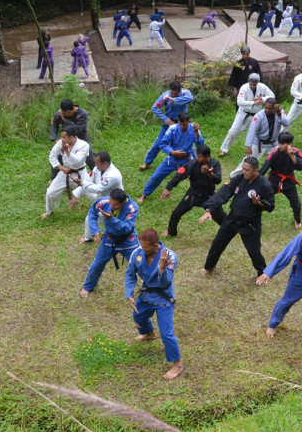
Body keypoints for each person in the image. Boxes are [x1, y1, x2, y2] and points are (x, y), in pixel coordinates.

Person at [199, 157, 275, 276]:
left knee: (254, 252)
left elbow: (271, 206)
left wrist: (259, 203)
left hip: (250, 223)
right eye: (243, 169)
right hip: (232, 218)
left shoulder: (265, 185)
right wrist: (210, 209)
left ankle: (263, 273)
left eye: (247, 170)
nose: (244, 172)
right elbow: (224, 192)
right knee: (217, 244)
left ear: (255, 171)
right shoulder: (239, 179)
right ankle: (209, 267)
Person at [124, 229, 183, 380]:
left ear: (156, 245)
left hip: (164, 298)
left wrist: (162, 268)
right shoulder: (137, 253)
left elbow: (166, 282)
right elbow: (130, 274)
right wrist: (129, 293)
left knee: (166, 333)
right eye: (141, 246)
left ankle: (177, 364)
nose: (142, 249)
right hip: (146, 294)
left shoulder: (170, 256)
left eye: (145, 247)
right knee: (138, 316)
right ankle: (149, 333)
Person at [80, 188, 139, 295]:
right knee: (97, 264)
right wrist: (95, 230)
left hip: (128, 239)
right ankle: (88, 286)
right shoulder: (104, 202)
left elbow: (126, 227)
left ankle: (152, 285)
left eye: (116, 205)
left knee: (140, 261)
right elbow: (92, 212)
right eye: (111, 203)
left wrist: (111, 219)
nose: (112, 206)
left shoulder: (132, 207)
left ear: (123, 202)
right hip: (109, 239)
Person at [139, 113, 204, 202]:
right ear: (178, 121)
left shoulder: (193, 128)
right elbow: (162, 144)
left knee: (199, 174)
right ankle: (145, 194)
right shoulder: (172, 128)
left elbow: (200, 145)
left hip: (187, 158)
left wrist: (196, 132)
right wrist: (172, 152)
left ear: (189, 122)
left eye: (184, 124)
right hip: (173, 158)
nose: (182, 126)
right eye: (180, 124)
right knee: (156, 176)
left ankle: (200, 195)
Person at [160, 144, 222, 237]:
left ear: (207, 157)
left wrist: (209, 173)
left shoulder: (215, 163)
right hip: (193, 193)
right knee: (176, 213)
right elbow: (180, 174)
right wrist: (168, 188)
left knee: (220, 215)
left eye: (200, 157)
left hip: (207, 195)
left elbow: (218, 180)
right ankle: (171, 230)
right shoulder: (193, 163)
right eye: (197, 155)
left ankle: (228, 229)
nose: (198, 158)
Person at [139, 82, 193, 170]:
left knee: (187, 142)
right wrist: (166, 119)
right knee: (159, 143)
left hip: (183, 123)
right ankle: (147, 163)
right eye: (172, 93)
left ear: (180, 91)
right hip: (169, 122)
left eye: (175, 94)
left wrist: (175, 100)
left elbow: (190, 98)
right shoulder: (165, 96)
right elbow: (155, 108)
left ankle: (191, 161)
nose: (173, 95)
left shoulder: (185, 93)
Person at [231, 98, 291, 176]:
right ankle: (234, 176)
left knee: (280, 159)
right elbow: (252, 130)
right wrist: (249, 146)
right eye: (266, 107)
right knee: (249, 161)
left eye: (270, 108)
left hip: (273, 143)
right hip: (259, 143)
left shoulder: (279, 112)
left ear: (275, 107)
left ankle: (277, 176)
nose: (267, 109)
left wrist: (279, 114)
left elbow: (286, 124)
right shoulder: (259, 116)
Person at [220, 73, 274, 157]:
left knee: (262, 132)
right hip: (243, 113)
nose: (253, 86)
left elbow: (272, 96)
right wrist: (253, 103)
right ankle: (224, 149)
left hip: (256, 114)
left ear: (258, 82)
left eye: (255, 84)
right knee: (233, 131)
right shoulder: (244, 88)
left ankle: (268, 150)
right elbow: (239, 102)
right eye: (251, 84)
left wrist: (263, 99)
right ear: (248, 81)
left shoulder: (262, 87)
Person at [43, 126, 92, 219]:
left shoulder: (84, 145)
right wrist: (61, 168)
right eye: (61, 137)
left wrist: (66, 150)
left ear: (71, 137)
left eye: (64, 137)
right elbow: (52, 156)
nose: (62, 139)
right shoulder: (61, 144)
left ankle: (104, 209)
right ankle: (49, 212)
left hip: (80, 173)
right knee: (50, 192)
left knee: (92, 193)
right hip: (65, 173)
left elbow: (77, 160)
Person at [260, 132, 302, 229]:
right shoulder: (274, 153)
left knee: (296, 205)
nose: (280, 146)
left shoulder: (296, 152)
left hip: (289, 182)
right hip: (273, 181)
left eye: (282, 144)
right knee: (261, 200)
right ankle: (254, 218)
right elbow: (264, 169)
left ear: (289, 144)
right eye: (279, 143)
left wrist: (293, 157)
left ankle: (297, 219)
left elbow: (300, 167)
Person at [71, 151, 123, 221]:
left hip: (112, 202)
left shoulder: (113, 175)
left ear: (105, 163)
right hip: (100, 196)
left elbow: (98, 189)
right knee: (86, 187)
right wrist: (76, 196)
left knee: (89, 219)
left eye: (97, 163)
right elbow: (87, 181)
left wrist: (82, 184)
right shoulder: (97, 168)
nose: (95, 165)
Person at [50, 99, 94, 172]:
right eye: (65, 113)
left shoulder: (82, 113)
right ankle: (54, 177)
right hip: (66, 138)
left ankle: (98, 174)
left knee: (89, 158)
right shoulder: (60, 113)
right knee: (58, 155)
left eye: (69, 112)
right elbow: (54, 125)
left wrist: (65, 120)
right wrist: (55, 139)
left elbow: (77, 129)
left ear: (73, 108)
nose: (67, 115)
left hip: (81, 137)